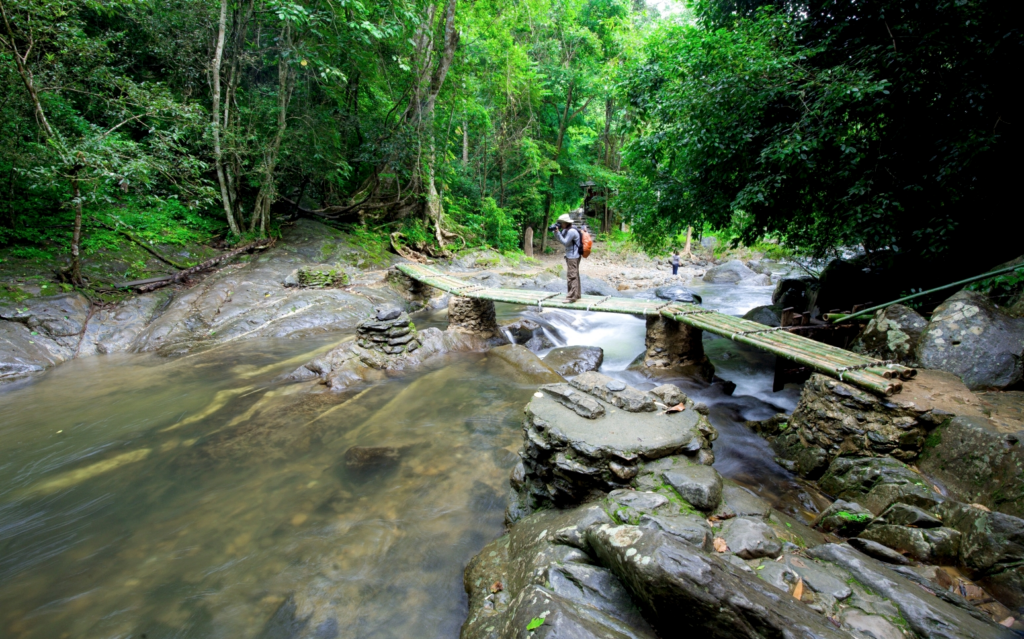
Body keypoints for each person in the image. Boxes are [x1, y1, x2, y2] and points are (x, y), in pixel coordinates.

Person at [549, 213, 581, 302]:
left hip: (573, 256)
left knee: (572, 276)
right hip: (571, 255)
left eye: (561, 223)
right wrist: (556, 232)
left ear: (566, 223)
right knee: (574, 275)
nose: (559, 224)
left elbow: (565, 242)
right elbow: (560, 239)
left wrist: (558, 232)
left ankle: (571, 297)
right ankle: (577, 295)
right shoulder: (566, 229)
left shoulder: (571, 231)